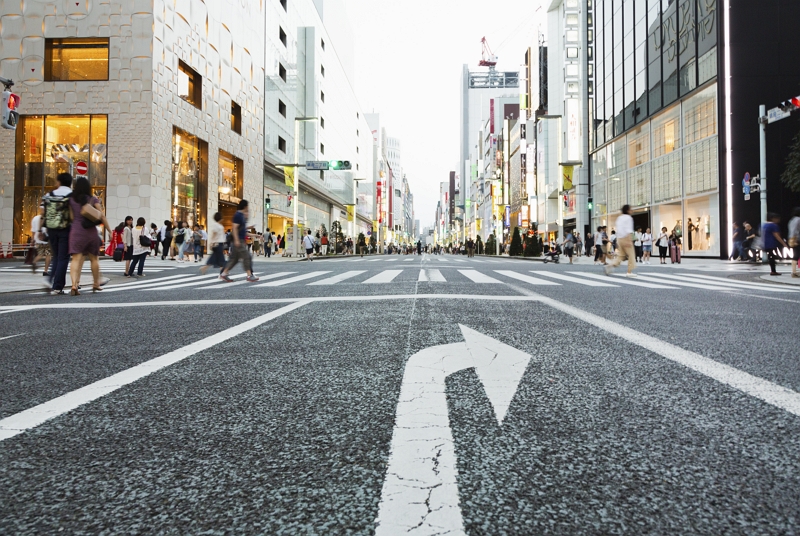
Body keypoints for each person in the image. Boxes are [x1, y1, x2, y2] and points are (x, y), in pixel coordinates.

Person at [68, 176, 110, 295]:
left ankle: (74, 285)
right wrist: (110, 231)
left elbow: (71, 217)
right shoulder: (92, 199)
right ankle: (96, 284)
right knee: (94, 259)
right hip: (90, 232)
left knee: (75, 259)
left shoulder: (71, 200)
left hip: (76, 231)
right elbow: (101, 216)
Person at [41, 173, 74, 294]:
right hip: (66, 229)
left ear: (59, 181)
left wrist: (40, 230)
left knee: (56, 256)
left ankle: (50, 280)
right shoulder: (72, 195)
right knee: (63, 257)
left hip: (51, 229)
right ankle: (57, 286)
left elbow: (42, 214)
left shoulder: (48, 195)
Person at [219, 200, 259, 282]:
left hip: (239, 240)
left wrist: (252, 232)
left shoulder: (241, 216)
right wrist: (236, 240)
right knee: (247, 256)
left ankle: (224, 274)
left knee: (234, 259)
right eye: (247, 206)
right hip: (238, 241)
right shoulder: (238, 215)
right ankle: (249, 275)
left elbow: (242, 230)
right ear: (245, 206)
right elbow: (235, 228)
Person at [604, 205, 636, 277]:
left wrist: (618, 241)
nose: (632, 210)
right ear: (627, 210)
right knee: (631, 255)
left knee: (621, 255)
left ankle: (611, 265)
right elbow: (628, 230)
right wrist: (629, 240)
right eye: (631, 209)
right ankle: (629, 272)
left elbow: (618, 230)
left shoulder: (619, 218)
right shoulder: (629, 218)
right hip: (626, 238)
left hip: (619, 239)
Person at [30, 208, 51, 275]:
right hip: (45, 238)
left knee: (40, 253)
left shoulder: (35, 218)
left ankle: (34, 261)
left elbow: (33, 230)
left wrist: (32, 239)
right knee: (48, 254)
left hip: (37, 238)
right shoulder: (46, 218)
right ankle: (45, 271)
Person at [789, 208, 800, 278]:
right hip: (798, 239)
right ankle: (794, 272)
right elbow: (796, 231)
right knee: (796, 255)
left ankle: (794, 271)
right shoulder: (798, 219)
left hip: (792, 239)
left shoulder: (791, 220)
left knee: (795, 255)